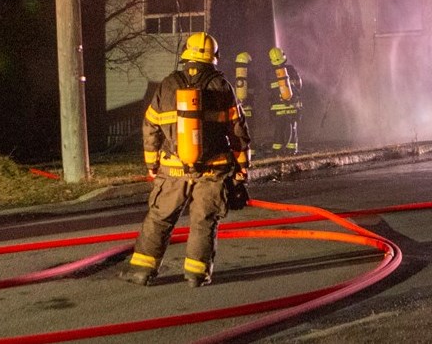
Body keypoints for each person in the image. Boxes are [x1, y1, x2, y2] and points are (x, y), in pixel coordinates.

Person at [123, 32, 251, 287]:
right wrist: (242, 170)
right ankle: (196, 274)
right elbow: (237, 132)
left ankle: (141, 271)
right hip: (213, 170)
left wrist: (152, 165)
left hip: (173, 168)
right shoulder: (221, 86)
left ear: (186, 53)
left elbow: (150, 127)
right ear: (214, 57)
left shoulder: (168, 84)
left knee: (160, 218)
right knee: (203, 221)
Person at [268, 46, 303, 154]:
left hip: (277, 108)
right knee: (292, 128)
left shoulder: (269, 73)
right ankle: (292, 150)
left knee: (279, 129)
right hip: (291, 106)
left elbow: (269, 89)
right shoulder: (291, 69)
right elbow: (299, 85)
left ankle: (277, 151)